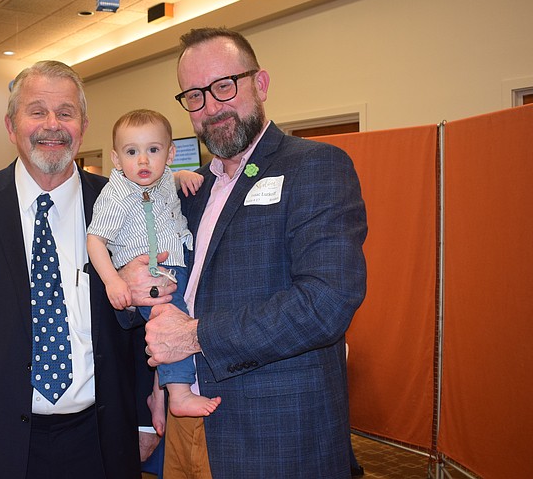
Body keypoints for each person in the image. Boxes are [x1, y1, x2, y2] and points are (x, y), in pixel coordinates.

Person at [0, 60, 176, 479]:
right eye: (37, 111)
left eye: (66, 113)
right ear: (11, 125)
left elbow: (148, 315)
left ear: (84, 125)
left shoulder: (122, 204)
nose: (52, 125)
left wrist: (143, 420)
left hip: (103, 434)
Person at [144, 27, 368, 478]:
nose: (211, 107)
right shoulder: (188, 192)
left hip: (277, 440)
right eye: (194, 96)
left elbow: (327, 301)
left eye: (224, 86)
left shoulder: (315, 167)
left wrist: (196, 336)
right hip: (185, 429)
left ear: (260, 84)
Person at [87, 109, 221, 419]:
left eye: (153, 150)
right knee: (170, 325)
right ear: (117, 159)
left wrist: (180, 177)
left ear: (170, 152)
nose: (143, 161)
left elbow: (168, 182)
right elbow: (95, 241)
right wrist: (114, 282)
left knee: (183, 322)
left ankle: (156, 394)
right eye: (132, 152)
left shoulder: (161, 180)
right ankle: (179, 395)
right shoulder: (116, 195)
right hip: (151, 279)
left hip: (179, 266)